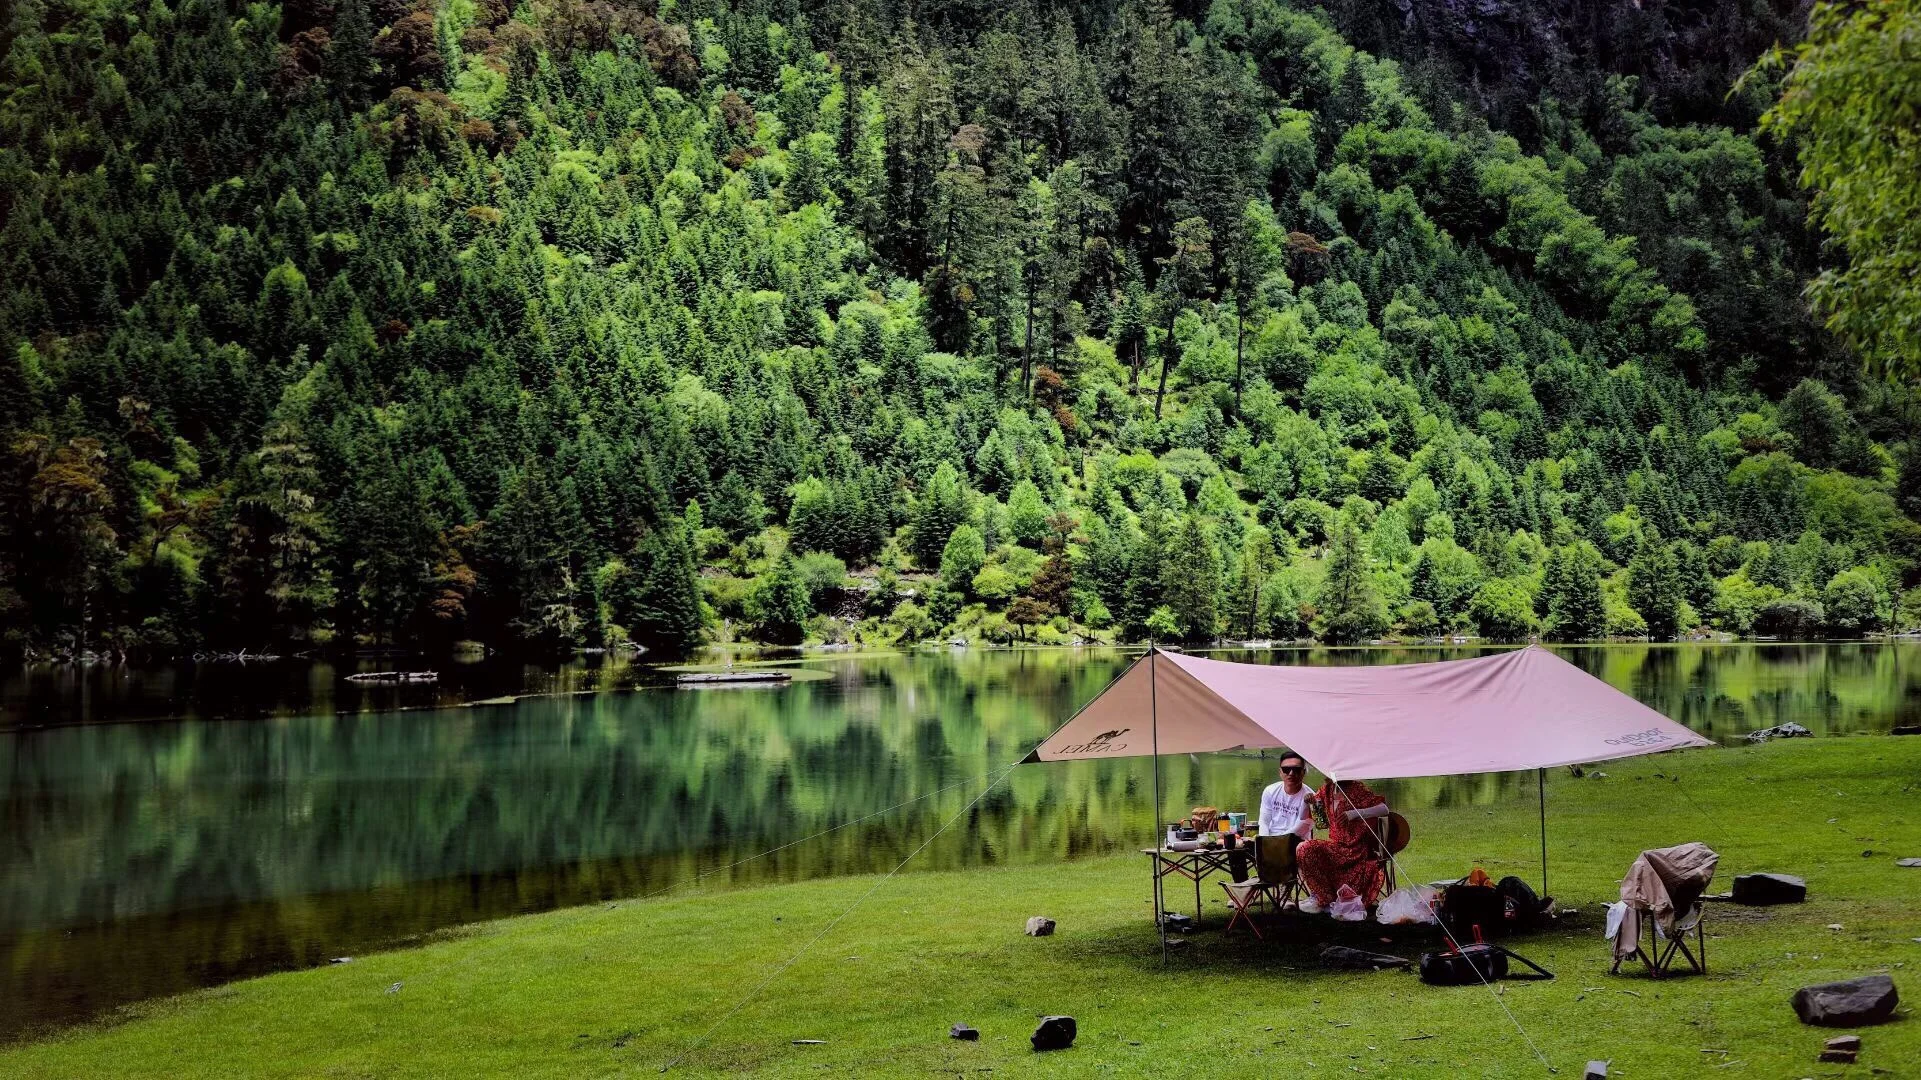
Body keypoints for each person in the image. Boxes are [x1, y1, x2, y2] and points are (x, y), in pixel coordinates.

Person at [1295, 777, 1393, 911]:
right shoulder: (1327, 790)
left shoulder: (1357, 788)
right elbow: (1304, 817)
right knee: (1304, 848)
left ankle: (1341, 899)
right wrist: (1306, 802)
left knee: (1307, 848)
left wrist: (1354, 813)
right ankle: (1325, 897)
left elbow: (1384, 809)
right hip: (1336, 845)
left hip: (1356, 849)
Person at [1259, 753, 1316, 840]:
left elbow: (1300, 828)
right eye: (1286, 769)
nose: (1291, 773)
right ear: (1280, 772)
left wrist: (1277, 841)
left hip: (1297, 841)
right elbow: (1264, 821)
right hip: (1270, 838)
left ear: (1303, 772)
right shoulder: (1270, 791)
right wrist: (1264, 841)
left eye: (1296, 769)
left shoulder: (1311, 797)